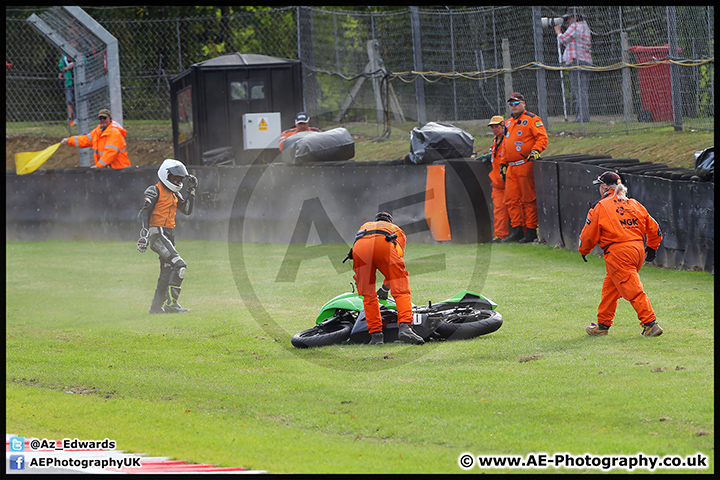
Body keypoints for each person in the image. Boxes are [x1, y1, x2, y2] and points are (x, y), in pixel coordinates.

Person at [579, 171, 663, 337]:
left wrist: (583, 250)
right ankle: (602, 326)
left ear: (604, 187)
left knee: (633, 289)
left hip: (619, 253)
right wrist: (652, 248)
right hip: (637, 249)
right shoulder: (634, 203)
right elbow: (655, 229)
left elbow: (588, 234)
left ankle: (650, 324)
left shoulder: (601, 205)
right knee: (610, 289)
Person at [348, 212, 424, 345]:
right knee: (400, 287)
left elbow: (356, 245)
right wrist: (385, 287)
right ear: (390, 221)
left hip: (360, 249)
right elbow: (395, 268)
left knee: (368, 295)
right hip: (383, 245)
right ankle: (405, 327)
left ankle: (376, 336)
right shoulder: (396, 230)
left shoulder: (365, 226)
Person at [136, 159, 198, 314]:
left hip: (169, 234)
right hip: (157, 234)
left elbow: (187, 210)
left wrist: (191, 190)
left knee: (167, 270)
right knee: (179, 265)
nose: (177, 181)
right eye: (174, 178)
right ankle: (172, 304)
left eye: (179, 179)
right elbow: (144, 212)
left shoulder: (174, 192)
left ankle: (156, 308)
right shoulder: (154, 190)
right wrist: (144, 234)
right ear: (165, 175)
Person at [501, 93, 548, 243]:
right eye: (511, 104)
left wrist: (536, 151)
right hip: (511, 167)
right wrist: (503, 162)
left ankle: (531, 231)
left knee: (528, 199)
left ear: (523, 103)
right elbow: (505, 144)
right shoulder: (508, 122)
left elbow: (542, 138)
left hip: (524, 164)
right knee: (511, 199)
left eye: (516, 103)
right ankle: (517, 230)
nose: (513, 106)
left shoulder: (532, 119)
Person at [554, 7, 592, 123]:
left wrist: (558, 32)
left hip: (576, 61)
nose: (568, 20)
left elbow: (564, 40)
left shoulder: (575, 26)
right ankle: (581, 117)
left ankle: (582, 118)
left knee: (579, 91)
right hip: (585, 61)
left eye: (569, 18)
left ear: (575, 17)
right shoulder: (585, 27)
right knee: (582, 90)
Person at [61, 108, 131, 169]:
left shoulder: (114, 133)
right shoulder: (97, 132)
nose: (102, 120)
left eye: (104, 118)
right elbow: (85, 140)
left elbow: (110, 152)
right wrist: (69, 140)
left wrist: (98, 166)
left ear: (110, 118)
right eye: (100, 118)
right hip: (109, 170)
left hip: (121, 170)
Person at [484, 115, 509, 242]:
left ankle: (521, 234)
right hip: (497, 183)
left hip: (507, 181)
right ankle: (500, 235)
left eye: (497, 127)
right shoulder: (495, 141)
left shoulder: (508, 140)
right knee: (499, 210)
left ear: (503, 126)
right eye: (492, 127)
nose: (494, 129)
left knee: (515, 208)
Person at [58, 54, 75, 126]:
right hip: (69, 82)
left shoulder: (79, 54)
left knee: (80, 100)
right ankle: (70, 118)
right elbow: (61, 68)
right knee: (69, 100)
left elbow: (86, 64)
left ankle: (81, 118)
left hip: (79, 81)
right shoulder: (63, 57)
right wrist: (67, 68)